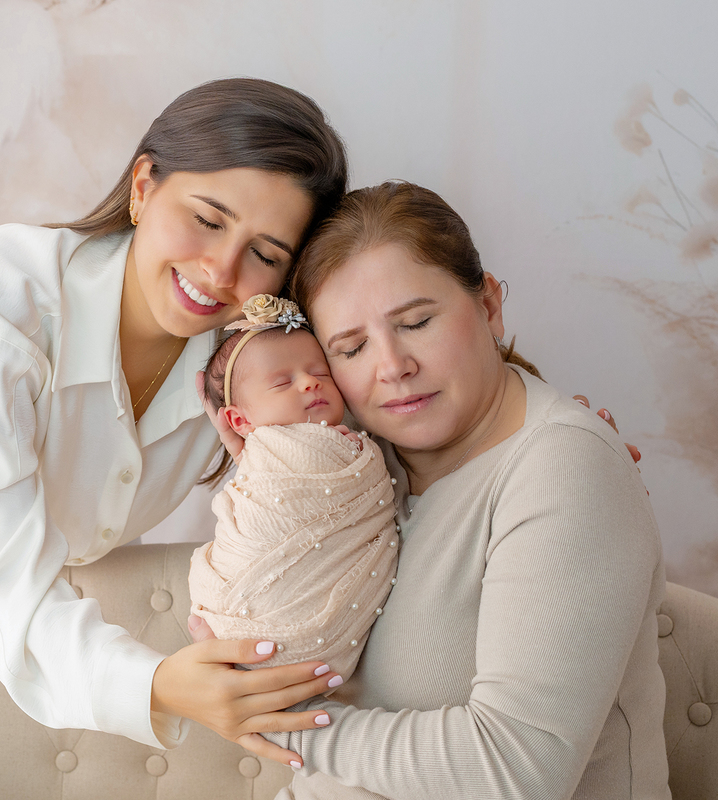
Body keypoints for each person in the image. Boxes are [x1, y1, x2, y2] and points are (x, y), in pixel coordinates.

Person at [0, 77, 351, 764]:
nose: (221, 269)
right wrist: (153, 685)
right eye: (208, 219)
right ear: (143, 186)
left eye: (264, 253)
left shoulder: (247, 369)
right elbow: (0, 568)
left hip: (44, 574)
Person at [198, 181, 670, 797]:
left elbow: (517, 771)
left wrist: (278, 719)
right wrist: (276, 471)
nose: (392, 366)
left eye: (416, 322)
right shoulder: (358, 463)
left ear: (489, 304)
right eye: (351, 348)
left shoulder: (562, 470)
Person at [188, 294, 398, 684]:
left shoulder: (362, 444)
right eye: (283, 382)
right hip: (240, 604)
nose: (309, 383)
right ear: (239, 420)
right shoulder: (265, 460)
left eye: (321, 373)